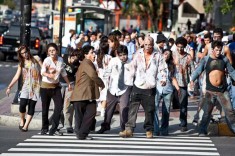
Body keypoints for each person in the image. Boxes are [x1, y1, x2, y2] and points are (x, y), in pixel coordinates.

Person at [119, 36, 164, 138]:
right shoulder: (138, 53)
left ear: (153, 45)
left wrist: (163, 79)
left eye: (150, 45)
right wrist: (128, 79)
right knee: (132, 109)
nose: (148, 47)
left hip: (150, 87)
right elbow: (132, 67)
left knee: (149, 110)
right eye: (146, 44)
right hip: (137, 85)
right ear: (143, 44)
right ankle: (129, 130)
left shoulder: (157, 55)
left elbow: (163, 68)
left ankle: (149, 130)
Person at [190, 40, 235, 136]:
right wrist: (192, 80)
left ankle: (234, 129)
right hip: (210, 91)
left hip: (222, 91)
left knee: (230, 112)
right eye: (216, 50)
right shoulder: (206, 59)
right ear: (212, 50)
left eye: (220, 50)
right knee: (207, 112)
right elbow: (198, 71)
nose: (218, 52)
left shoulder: (224, 59)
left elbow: (231, 71)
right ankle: (202, 130)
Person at [70, 45, 105, 140]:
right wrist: (101, 84)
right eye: (92, 53)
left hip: (83, 94)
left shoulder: (87, 63)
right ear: (86, 55)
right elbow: (93, 75)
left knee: (84, 114)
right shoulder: (86, 63)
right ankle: (81, 134)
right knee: (88, 113)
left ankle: (81, 133)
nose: (94, 55)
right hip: (82, 94)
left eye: (94, 52)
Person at [96, 45, 132, 134]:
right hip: (113, 88)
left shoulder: (131, 63)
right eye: (121, 55)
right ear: (117, 54)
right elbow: (107, 73)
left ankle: (124, 128)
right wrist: (103, 84)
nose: (123, 57)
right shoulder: (113, 61)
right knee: (109, 109)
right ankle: (105, 126)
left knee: (124, 108)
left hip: (125, 88)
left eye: (125, 55)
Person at [6, 45, 42, 132]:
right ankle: (22, 119)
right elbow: (17, 76)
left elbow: (44, 68)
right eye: (22, 53)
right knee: (22, 105)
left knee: (31, 106)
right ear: (20, 54)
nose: (25, 54)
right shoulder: (21, 63)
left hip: (36, 86)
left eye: (25, 52)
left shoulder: (36, 58)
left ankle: (26, 126)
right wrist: (9, 87)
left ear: (28, 50)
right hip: (26, 86)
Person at [40, 43, 72, 136]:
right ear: (48, 52)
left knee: (58, 108)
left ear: (57, 51)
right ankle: (44, 128)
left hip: (56, 87)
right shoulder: (47, 60)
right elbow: (42, 72)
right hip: (45, 87)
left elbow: (63, 72)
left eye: (53, 50)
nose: (52, 52)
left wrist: (69, 83)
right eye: (50, 51)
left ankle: (53, 129)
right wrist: (49, 74)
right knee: (45, 109)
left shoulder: (61, 60)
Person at [154, 49, 180, 136]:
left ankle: (164, 130)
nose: (166, 56)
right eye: (165, 54)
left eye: (168, 55)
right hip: (157, 88)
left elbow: (173, 78)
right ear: (162, 54)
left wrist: (178, 89)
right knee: (155, 109)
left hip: (168, 90)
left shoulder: (172, 65)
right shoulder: (156, 63)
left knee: (166, 111)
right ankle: (156, 129)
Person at [173, 37, 195, 132]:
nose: (179, 49)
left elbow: (193, 72)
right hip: (171, 84)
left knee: (183, 105)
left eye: (182, 47)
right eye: (178, 47)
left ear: (185, 47)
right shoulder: (172, 55)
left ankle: (183, 123)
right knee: (167, 105)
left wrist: (192, 81)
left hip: (183, 84)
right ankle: (164, 124)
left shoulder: (188, 57)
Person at [59, 48, 80, 133]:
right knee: (58, 105)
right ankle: (60, 123)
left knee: (68, 106)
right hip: (60, 84)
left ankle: (68, 126)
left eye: (76, 58)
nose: (74, 59)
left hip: (70, 85)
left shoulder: (77, 64)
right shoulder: (64, 57)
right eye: (73, 57)